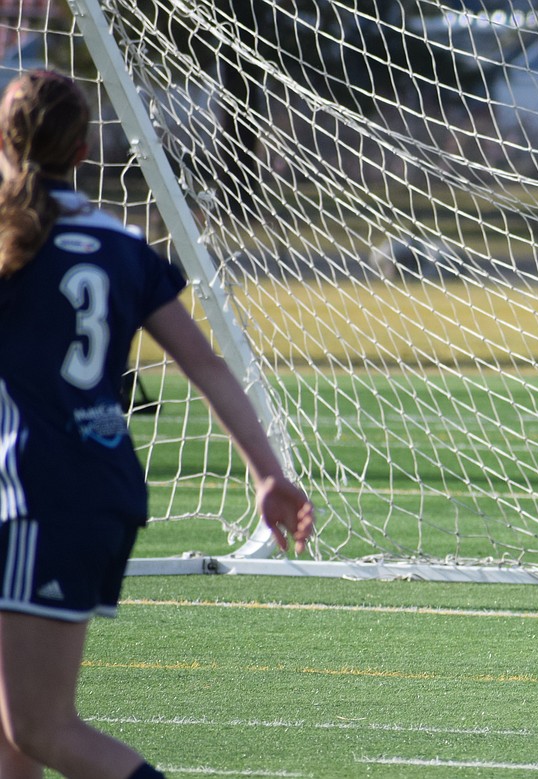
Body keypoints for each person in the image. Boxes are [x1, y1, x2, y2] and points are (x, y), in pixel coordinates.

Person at [0, 70, 315, 779]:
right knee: (12, 730)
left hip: (37, 492)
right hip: (96, 485)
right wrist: (266, 473)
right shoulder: (121, 243)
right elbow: (205, 365)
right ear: (84, 149)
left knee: (40, 726)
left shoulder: (11, 242)